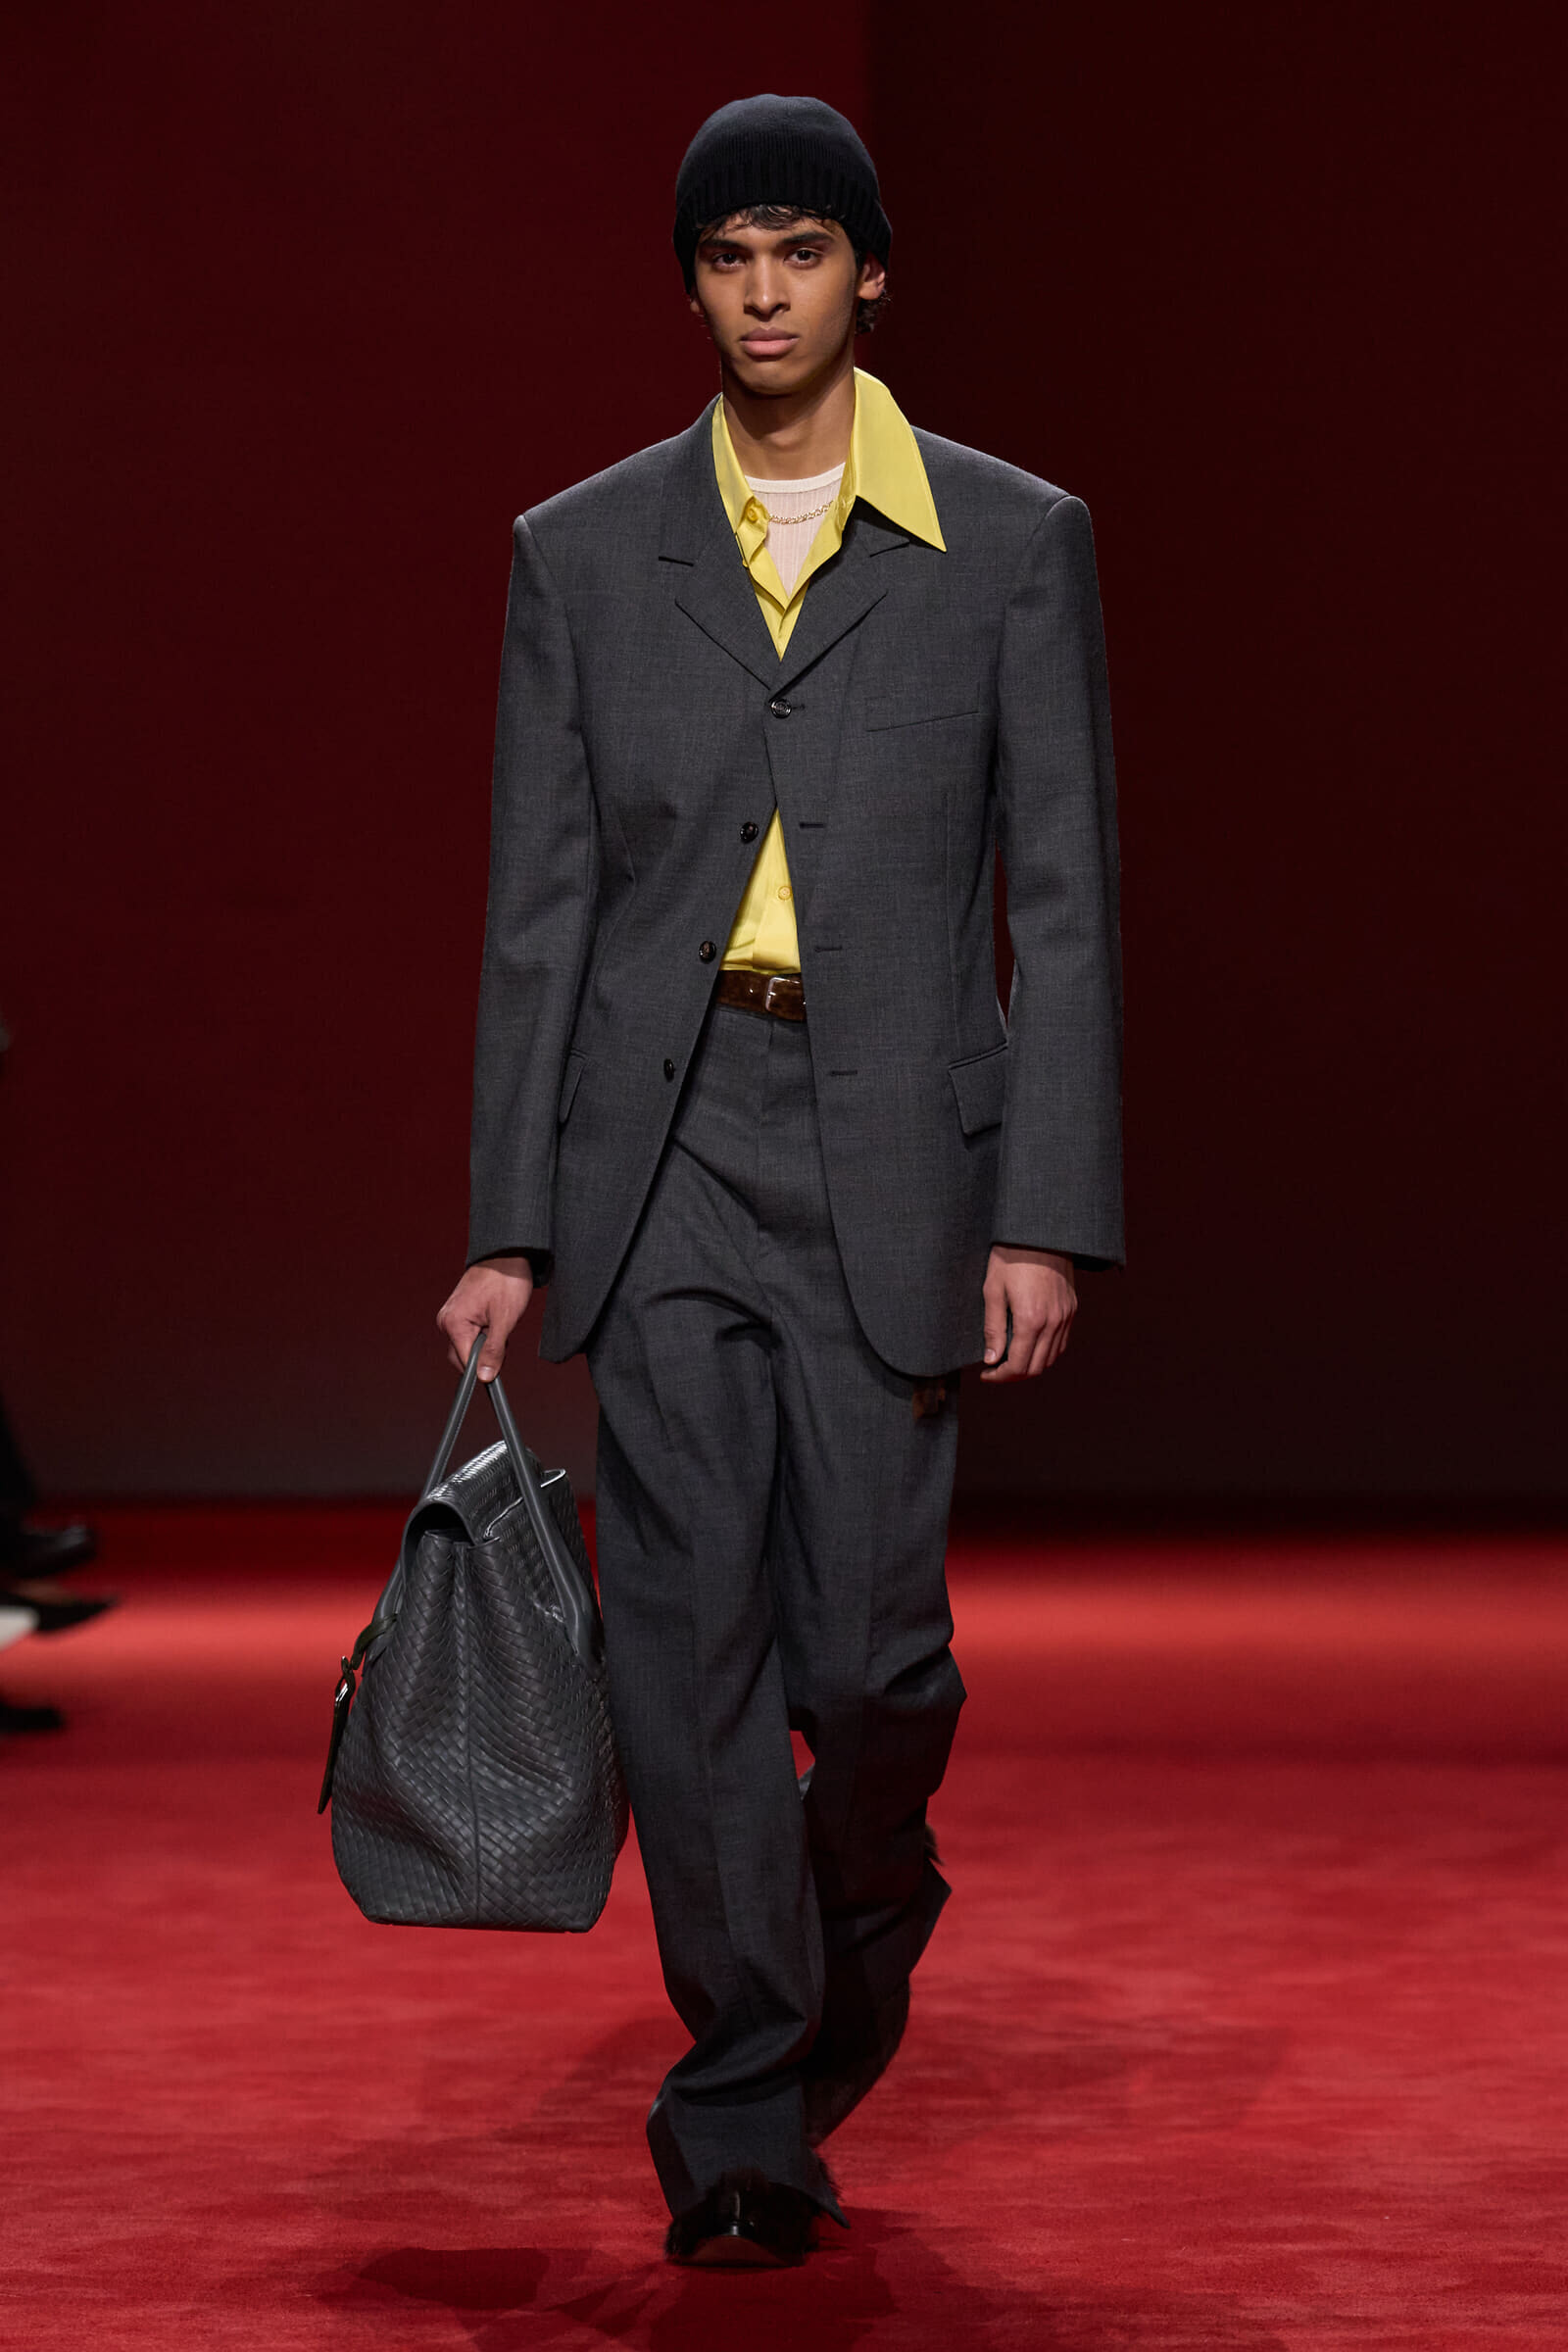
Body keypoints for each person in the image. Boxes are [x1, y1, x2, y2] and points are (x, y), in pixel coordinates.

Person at [438, 92, 1123, 2268]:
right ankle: (742, 2106)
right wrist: (507, 1221)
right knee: (687, 1642)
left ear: (868, 273)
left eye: (800, 253)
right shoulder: (583, 552)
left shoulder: (1007, 542)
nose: (762, 293)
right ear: (692, 284)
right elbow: (540, 912)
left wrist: (1046, 1211)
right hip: (665, 1150)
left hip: (898, 1150)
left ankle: (860, 1900)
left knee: (874, 1662)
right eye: (726, 257)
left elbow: (1063, 903)